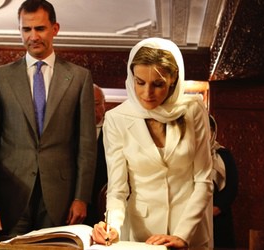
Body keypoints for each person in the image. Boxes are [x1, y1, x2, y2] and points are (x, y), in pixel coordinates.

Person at [0, 0, 97, 237]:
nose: (33, 36)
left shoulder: (80, 78)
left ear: (55, 29)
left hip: (61, 197)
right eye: (26, 29)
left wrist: (81, 197)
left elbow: (87, 146)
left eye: (40, 29)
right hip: (9, 196)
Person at [92, 37, 214, 249]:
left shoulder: (193, 110)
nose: (147, 93)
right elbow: (118, 189)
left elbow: (203, 180)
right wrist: (112, 226)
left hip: (190, 232)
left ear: (174, 79)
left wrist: (182, 235)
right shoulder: (116, 119)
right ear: (132, 77)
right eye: (140, 82)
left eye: (158, 84)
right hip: (142, 235)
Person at [209, 115, 238, 248]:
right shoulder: (188, 154)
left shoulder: (224, 154)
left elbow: (232, 186)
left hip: (220, 215)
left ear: (213, 132)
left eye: (208, 130)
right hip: (195, 216)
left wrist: (218, 208)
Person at [85, 84, 108, 226]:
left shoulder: (114, 128)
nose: (92, 110)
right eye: (87, 105)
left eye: (97, 104)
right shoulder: (68, 131)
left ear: (104, 104)